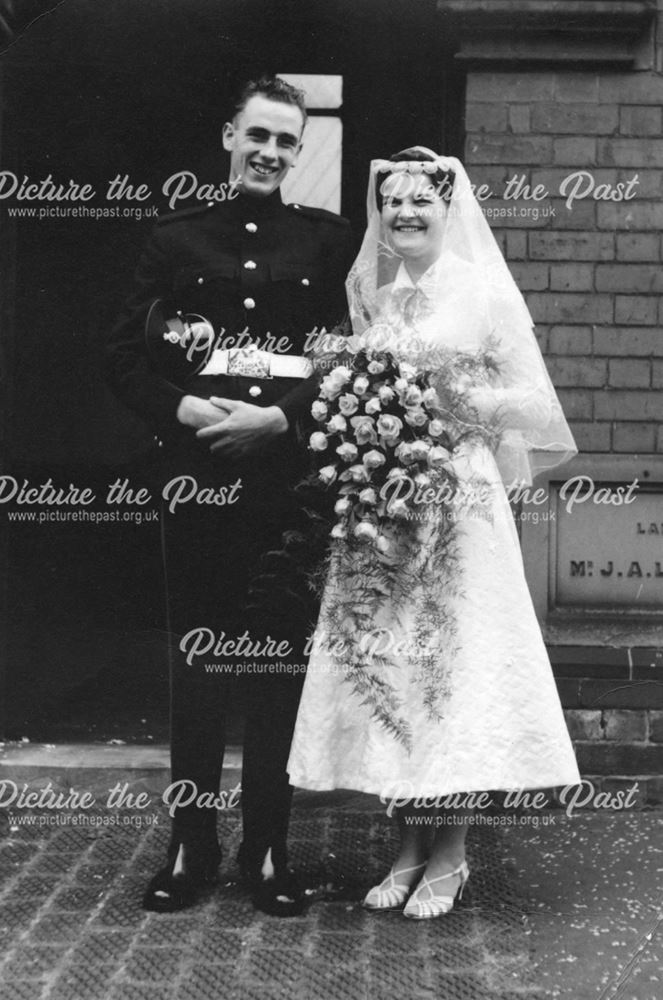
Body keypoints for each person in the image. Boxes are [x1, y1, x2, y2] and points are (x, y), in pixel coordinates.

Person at [288, 147, 580, 919]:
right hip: (387, 510)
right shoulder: (379, 299)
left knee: (448, 665)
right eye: (393, 203)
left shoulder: (483, 292)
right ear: (379, 214)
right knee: (395, 669)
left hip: (458, 506)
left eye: (422, 201)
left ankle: (450, 856)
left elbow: (534, 405)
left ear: (450, 210)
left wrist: (442, 398)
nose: (406, 214)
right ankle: (408, 845)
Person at [105, 75, 353, 916]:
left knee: (276, 667)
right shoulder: (176, 240)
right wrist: (183, 406)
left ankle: (269, 852)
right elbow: (123, 355)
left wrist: (279, 423)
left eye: (286, 142)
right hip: (198, 479)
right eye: (258, 136)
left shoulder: (324, 243)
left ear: (297, 151)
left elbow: (345, 363)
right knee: (200, 666)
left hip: (286, 490)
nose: (270, 153)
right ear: (228, 136)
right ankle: (190, 847)